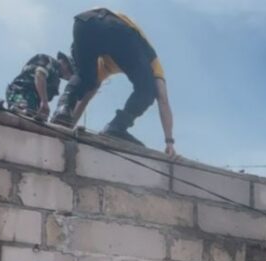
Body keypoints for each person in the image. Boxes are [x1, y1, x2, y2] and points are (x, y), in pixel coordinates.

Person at [51, 8, 176, 155]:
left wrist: (68, 124)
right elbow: (163, 100)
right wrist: (169, 142)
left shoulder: (105, 64)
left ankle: (63, 107)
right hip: (116, 29)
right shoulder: (152, 61)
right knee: (148, 90)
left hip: (83, 23)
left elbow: (87, 94)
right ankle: (116, 127)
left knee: (85, 77)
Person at [5, 52, 73, 120]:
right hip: (21, 91)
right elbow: (40, 74)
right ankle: (19, 108)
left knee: (31, 117)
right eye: (70, 70)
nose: (69, 76)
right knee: (23, 111)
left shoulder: (55, 78)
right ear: (65, 62)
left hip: (33, 100)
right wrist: (44, 101)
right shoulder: (50, 62)